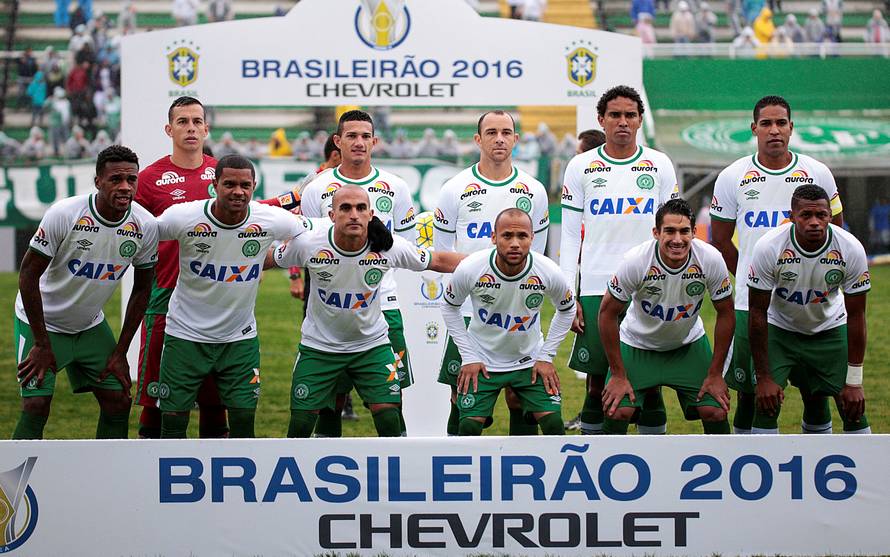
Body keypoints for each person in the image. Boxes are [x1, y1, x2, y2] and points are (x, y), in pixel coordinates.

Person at [272, 185, 464, 438]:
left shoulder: (387, 246)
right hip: (319, 348)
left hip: (371, 346)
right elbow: (269, 259)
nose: (354, 214)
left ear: (371, 214)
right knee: (300, 426)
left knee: (388, 418)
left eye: (361, 208)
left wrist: (492, 262)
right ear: (331, 215)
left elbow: (438, 260)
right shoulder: (309, 243)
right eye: (346, 208)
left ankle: (397, 475)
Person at [710, 95, 849, 435]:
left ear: (791, 127)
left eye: (781, 123)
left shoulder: (817, 173)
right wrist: (752, 278)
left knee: (816, 394)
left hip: (809, 304)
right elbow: (721, 241)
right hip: (750, 302)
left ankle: (817, 470)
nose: (774, 130)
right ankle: (744, 469)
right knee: (750, 394)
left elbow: (838, 231)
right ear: (754, 128)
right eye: (767, 123)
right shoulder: (733, 176)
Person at [155, 155, 308, 438]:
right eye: (229, 184)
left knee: (243, 422)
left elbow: (310, 235)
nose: (238, 191)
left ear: (253, 186)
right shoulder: (185, 216)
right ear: (214, 185)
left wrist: (278, 258)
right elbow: (146, 233)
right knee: (173, 425)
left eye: (245, 185)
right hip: (185, 336)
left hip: (239, 339)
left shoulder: (268, 218)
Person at [12, 145, 158, 439]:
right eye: (116, 179)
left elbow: (143, 289)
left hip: (90, 326)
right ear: (98, 182)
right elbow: (28, 275)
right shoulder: (65, 214)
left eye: (131, 179)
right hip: (42, 324)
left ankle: (111, 478)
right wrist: (41, 343)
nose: (125, 187)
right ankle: (12, 485)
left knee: (119, 401)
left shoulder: (145, 225)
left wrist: (120, 351)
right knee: (37, 404)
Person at [560, 85, 679, 436]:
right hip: (597, 285)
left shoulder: (659, 164)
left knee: (649, 381)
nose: (623, 122)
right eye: (615, 115)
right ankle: (594, 465)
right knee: (597, 383)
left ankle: (653, 463)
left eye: (630, 115)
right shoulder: (581, 166)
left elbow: (671, 231)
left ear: (640, 120)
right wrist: (570, 295)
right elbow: (569, 235)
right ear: (602, 120)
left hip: (649, 288)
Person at [300, 110, 417, 437]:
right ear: (338, 141)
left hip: (384, 304)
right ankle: (324, 467)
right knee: (330, 401)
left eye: (366, 136)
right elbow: (308, 245)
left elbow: (406, 249)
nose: (359, 142)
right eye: (351, 136)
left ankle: (400, 468)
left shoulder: (396, 187)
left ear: (375, 142)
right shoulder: (317, 188)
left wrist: (379, 245)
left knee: (390, 401)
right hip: (331, 309)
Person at [435, 110, 550, 436]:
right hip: (471, 311)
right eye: (491, 132)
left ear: (515, 139)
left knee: (520, 395)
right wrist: (456, 305)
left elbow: (536, 259)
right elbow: (443, 256)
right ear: (478, 139)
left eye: (506, 132)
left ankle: (523, 469)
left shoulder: (534, 190)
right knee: (462, 395)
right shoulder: (454, 189)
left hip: (517, 313)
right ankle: (454, 467)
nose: (499, 138)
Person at [599, 199, 733, 434]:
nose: (677, 239)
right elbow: (606, 313)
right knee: (616, 410)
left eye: (684, 231)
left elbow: (726, 313)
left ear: (694, 232)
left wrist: (715, 374)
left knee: (716, 410)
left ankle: (724, 469)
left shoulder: (710, 258)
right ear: (656, 232)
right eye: (669, 231)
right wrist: (618, 374)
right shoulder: (636, 260)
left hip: (687, 345)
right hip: (637, 345)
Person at [747, 185, 871, 434]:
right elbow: (757, 311)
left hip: (830, 328)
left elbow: (857, 315)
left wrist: (854, 381)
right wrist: (764, 378)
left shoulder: (850, 248)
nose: (814, 222)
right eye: (806, 215)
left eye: (821, 215)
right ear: (792, 216)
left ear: (829, 216)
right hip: (780, 330)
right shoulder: (769, 247)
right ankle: (763, 469)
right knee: (766, 404)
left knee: (853, 408)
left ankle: (862, 472)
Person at [442, 208, 575, 436]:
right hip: (482, 358)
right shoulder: (471, 267)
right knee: (469, 426)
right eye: (507, 236)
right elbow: (449, 305)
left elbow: (567, 309)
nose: (515, 243)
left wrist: (546, 355)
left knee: (553, 424)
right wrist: (469, 356)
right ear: (494, 237)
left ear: (532, 238)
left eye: (522, 236)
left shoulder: (548, 270)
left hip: (528, 360)